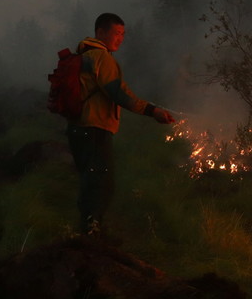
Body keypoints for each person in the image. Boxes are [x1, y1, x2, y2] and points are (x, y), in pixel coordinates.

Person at [67, 13, 175, 237]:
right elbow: (118, 93)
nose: (121, 39)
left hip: (77, 128)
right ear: (100, 32)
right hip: (94, 128)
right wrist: (152, 110)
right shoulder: (102, 58)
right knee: (101, 182)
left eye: (123, 34)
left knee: (90, 178)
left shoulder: (82, 55)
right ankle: (92, 231)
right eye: (116, 33)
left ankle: (91, 228)